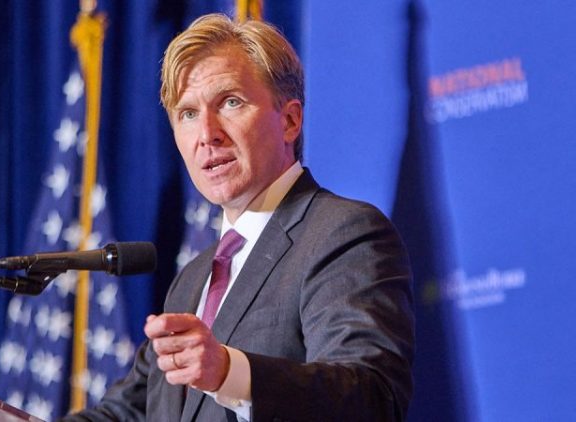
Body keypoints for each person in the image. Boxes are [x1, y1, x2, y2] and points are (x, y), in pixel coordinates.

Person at [62, 13, 414, 422]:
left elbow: (371, 397)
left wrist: (231, 372)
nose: (206, 134)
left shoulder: (343, 235)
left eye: (230, 102)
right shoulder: (193, 279)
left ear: (290, 120)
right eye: (187, 113)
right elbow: (124, 414)